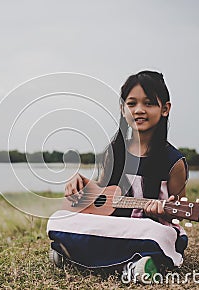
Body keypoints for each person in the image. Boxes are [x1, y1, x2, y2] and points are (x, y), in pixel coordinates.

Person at [63, 70, 189, 281]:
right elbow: (103, 195)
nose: (139, 110)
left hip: (147, 229)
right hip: (114, 227)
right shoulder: (113, 153)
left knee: (158, 235)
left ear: (165, 109)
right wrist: (81, 183)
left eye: (148, 103)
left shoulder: (173, 162)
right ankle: (134, 263)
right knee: (60, 221)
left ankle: (75, 254)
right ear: (123, 109)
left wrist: (163, 211)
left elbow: (180, 212)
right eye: (132, 104)